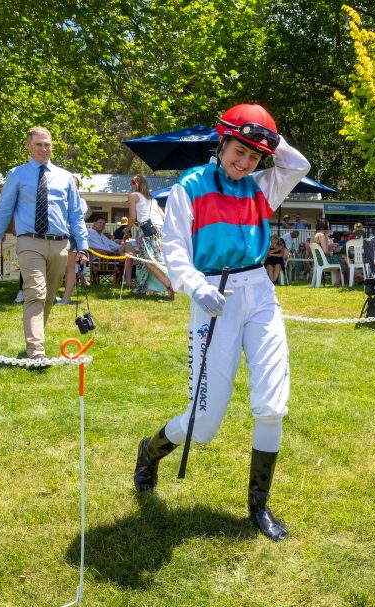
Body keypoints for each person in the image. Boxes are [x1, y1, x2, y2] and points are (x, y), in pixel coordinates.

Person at [132, 103, 310, 542]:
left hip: (259, 293)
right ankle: (149, 451)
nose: (246, 162)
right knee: (204, 424)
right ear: (221, 143)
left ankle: (259, 505)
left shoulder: (261, 187)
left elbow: (298, 164)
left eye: (254, 157)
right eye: (239, 151)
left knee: (272, 404)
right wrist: (196, 286)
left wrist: (267, 136)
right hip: (211, 296)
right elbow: (174, 251)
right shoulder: (188, 186)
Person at [0, 126, 88, 361]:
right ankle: (36, 352)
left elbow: (76, 215)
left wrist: (83, 245)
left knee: (49, 297)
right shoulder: (17, 174)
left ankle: (35, 336)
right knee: (35, 293)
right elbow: (4, 212)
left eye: (48, 144)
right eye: (39, 144)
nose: (44, 148)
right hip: (29, 241)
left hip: (60, 244)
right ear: (29, 146)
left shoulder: (65, 177)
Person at [128, 175, 174, 297]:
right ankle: (145, 287)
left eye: (131, 184)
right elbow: (163, 218)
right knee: (153, 258)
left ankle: (169, 284)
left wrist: (126, 230)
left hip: (146, 229)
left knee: (147, 260)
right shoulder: (153, 200)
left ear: (135, 184)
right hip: (159, 229)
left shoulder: (133, 196)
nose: (131, 186)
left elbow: (132, 217)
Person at [59, 176, 92, 304]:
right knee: (53, 267)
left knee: (70, 267)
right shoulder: (59, 197)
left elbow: (80, 218)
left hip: (71, 235)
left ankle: (66, 297)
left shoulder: (80, 201)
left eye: (75, 184)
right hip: (56, 235)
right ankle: (52, 294)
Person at [311, 218, 342, 285]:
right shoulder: (321, 235)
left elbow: (322, 248)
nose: (328, 227)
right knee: (342, 259)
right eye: (328, 225)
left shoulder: (315, 235)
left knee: (341, 258)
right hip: (324, 261)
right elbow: (325, 251)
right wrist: (331, 253)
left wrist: (330, 245)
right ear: (325, 226)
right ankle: (337, 283)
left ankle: (338, 282)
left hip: (319, 261)